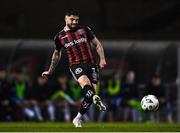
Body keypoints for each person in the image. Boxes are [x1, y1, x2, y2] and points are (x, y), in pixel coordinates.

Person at [42, 8, 107, 127]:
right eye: (72, 19)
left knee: (89, 96)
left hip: (91, 64)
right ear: (66, 19)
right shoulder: (59, 36)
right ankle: (95, 98)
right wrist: (50, 71)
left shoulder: (85, 30)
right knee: (86, 85)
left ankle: (78, 118)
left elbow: (97, 44)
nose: (75, 22)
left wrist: (102, 58)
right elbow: (57, 54)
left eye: (77, 20)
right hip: (76, 65)